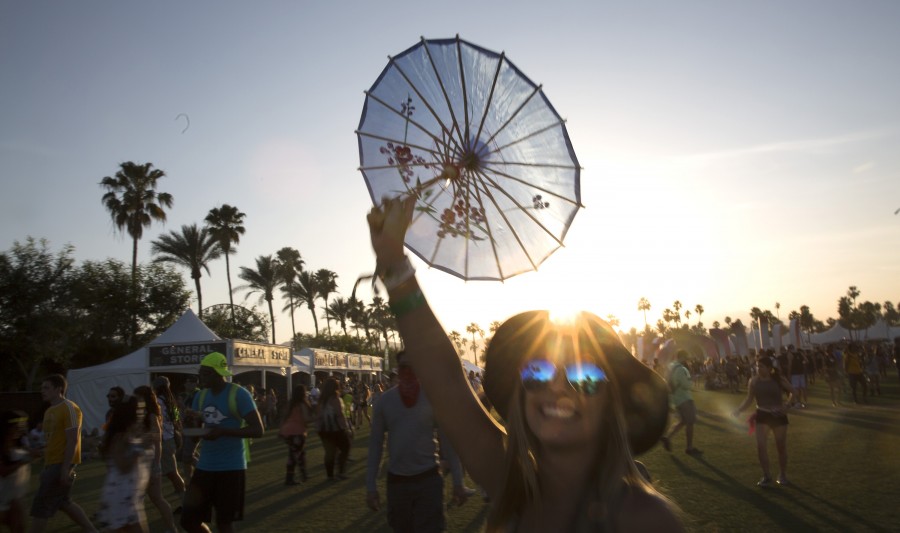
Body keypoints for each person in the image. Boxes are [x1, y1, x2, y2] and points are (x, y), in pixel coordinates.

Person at [365, 197, 683, 532]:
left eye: (584, 374)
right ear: (521, 392)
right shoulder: (508, 480)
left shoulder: (645, 519)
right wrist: (393, 261)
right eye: (537, 372)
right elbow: (445, 380)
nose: (557, 386)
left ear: (611, 402)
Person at [366, 351, 468, 532]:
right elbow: (375, 445)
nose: (408, 372)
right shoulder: (385, 402)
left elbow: (448, 441)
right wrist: (371, 486)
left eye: (413, 367)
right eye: (404, 367)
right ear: (398, 369)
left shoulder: (433, 398)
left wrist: (458, 482)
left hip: (428, 479)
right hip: (398, 482)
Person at [181, 352, 264, 533]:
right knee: (188, 521)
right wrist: (190, 424)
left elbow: (258, 430)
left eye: (206, 374)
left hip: (231, 468)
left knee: (224, 523)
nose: (201, 378)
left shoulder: (238, 394)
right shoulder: (200, 397)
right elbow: (196, 435)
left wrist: (223, 431)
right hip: (205, 466)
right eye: (200, 374)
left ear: (219, 374)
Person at [29, 374, 98, 533]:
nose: (42, 391)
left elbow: (73, 440)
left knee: (41, 506)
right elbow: (52, 440)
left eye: (46, 387)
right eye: (42, 388)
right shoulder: (49, 411)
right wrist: (39, 453)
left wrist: (65, 469)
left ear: (59, 389)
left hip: (60, 463)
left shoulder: (70, 407)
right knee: (64, 502)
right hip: (51, 463)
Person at [732, 357, 795, 487]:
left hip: (778, 415)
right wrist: (739, 410)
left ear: (769, 368)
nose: (758, 369)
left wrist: (787, 406)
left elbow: (793, 392)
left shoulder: (778, 379)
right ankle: (766, 476)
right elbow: (749, 399)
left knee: (781, 447)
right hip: (762, 414)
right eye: (757, 366)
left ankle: (782, 475)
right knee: (761, 446)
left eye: (761, 366)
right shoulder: (753, 381)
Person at [95, 395, 151, 533]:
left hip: (128, 494)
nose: (142, 413)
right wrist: (140, 449)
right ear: (130, 413)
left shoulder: (126, 434)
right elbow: (123, 466)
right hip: (121, 495)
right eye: (139, 410)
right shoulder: (119, 437)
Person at [133, 386, 178, 533]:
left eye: (138, 397)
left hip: (150, 460)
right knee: (149, 499)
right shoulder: (142, 413)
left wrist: (156, 464)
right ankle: (171, 528)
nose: (136, 400)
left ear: (144, 398)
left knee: (155, 499)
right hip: (141, 460)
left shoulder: (152, 415)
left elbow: (157, 440)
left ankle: (171, 528)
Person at [660, 350, 702, 455]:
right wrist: (691, 378)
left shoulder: (671, 367)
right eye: (686, 358)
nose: (687, 360)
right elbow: (686, 385)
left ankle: (667, 437)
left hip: (675, 398)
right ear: (683, 357)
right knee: (690, 422)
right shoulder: (681, 369)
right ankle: (689, 448)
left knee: (682, 421)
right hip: (685, 398)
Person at [152, 376, 187, 501]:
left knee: (172, 473)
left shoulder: (158, 402)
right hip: (170, 438)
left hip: (165, 440)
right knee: (170, 473)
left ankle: (185, 501)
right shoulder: (170, 401)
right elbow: (177, 420)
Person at [1, 410, 36, 533]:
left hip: (13, 499)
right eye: (17, 427)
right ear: (8, 427)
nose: (20, 430)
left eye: (21, 427)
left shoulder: (18, 446)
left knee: (19, 529)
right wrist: (24, 461)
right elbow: (3, 471)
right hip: (2, 498)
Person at [316, 378, 353, 481]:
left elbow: (318, 415)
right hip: (335, 428)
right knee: (345, 447)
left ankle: (330, 475)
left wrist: (318, 427)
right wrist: (346, 427)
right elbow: (340, 415)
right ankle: (340, 472)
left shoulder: (322, 399)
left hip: (323, 429)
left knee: (329, 452)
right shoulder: (335, 399)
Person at [278, 385, 314, 485]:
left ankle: (303, 474)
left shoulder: (291, 403)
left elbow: (284, 417)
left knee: (299, 453)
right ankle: (289, 478)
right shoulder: (302, 404)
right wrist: (315, 419)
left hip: (287, 431)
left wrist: (281, 430)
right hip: (297, 432)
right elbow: (306, 418)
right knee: (294, 455)